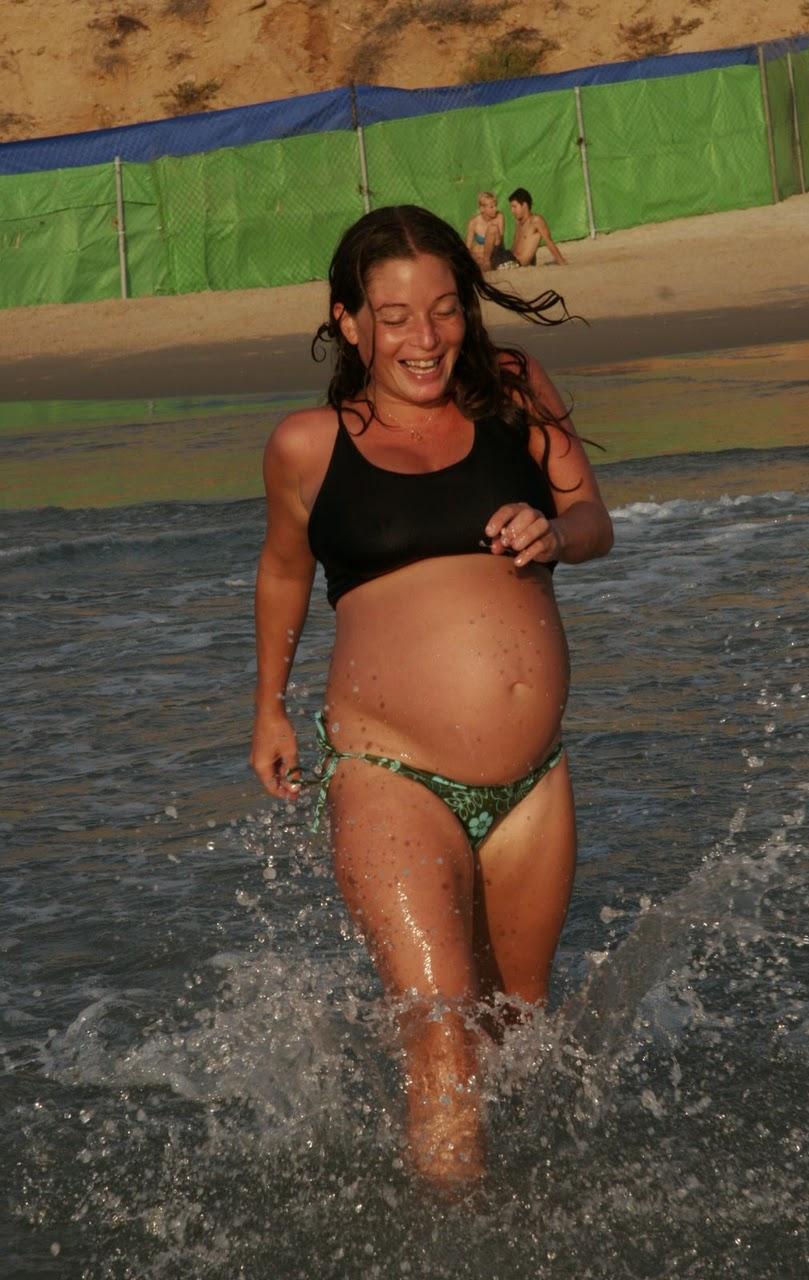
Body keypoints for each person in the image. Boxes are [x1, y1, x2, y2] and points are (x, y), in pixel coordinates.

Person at [250, 205, 612, 1188]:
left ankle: (506, 1217)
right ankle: (454, 1239)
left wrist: (555, 532)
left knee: (514, 1033)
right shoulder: (308, 445)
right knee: (442, 1031)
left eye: (445, 309)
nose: (425, 337)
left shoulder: (512, 390)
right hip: (389, 771)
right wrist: (269, 704)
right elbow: (283, 571)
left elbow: (591, 515)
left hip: (533, 787)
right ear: (350, 322)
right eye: (396, 315)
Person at [508, 186, 566, 267]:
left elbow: (549, 242)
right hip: (510, 260)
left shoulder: (536, 221)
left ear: (524, 205)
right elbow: (519, 245)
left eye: (514, 207)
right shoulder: (518, 222)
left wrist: (562, 262)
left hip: (517, 263)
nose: (512, 211)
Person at [464, 190, 505, 271]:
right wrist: (474, 256)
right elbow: (468, 246)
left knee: (492, 229)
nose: (495, 209)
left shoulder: (499, 217)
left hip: (493, 255)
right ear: (482, 209)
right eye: (491, 207)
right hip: (478, 256)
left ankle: (486, 263)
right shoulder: (474, 222)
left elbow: (498, 242)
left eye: (495, 206)